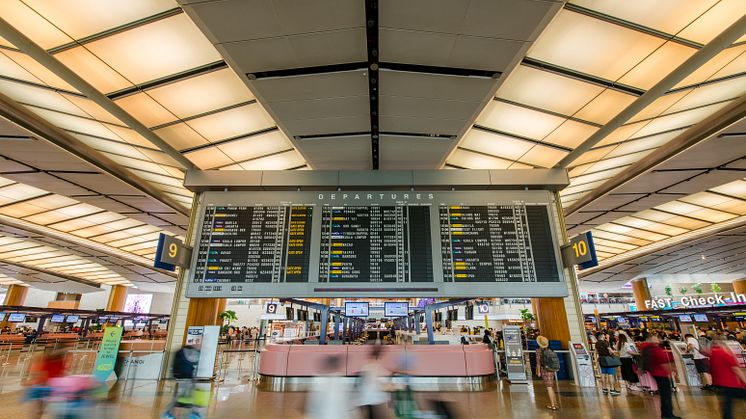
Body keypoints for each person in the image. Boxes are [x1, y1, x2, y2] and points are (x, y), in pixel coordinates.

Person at [641, 334, 679, 419]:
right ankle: (668, 414)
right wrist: (670, 372)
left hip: (655, 373)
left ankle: (666, 414)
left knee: (664, 394)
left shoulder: (647, 349)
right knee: (666, 395)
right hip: (661, 374)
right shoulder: (656, 350)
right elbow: (663, 363)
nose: (658, 340)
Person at [709, 336, 746, 419]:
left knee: (727, 405)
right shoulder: (725, 354)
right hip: (732, 383)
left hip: (720, 384)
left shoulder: (712, 354)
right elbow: (736, 369)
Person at [162, 344, 201, 419]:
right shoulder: (192, 353)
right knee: (184, 395)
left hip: (179, 376)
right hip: (187, 376)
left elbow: (174, 364)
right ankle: (194, 413)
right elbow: (195, 362)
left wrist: (173, 375)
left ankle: (170, 413)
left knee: (183, 395)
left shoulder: (179, 352)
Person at [357, 345, 390, 419]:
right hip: (376, 401)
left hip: (365, 401)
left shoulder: (365, 367)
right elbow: (383, 386)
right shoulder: (378, 368)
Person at [536, 336, 560, 410]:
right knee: (551, 387)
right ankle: (555, 403)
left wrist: (538, 371)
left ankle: (552, 405)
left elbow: (538, 363)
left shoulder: (538, 351)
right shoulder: (550, 350)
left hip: (545, 370)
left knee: (548, 387)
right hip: (551, 370)